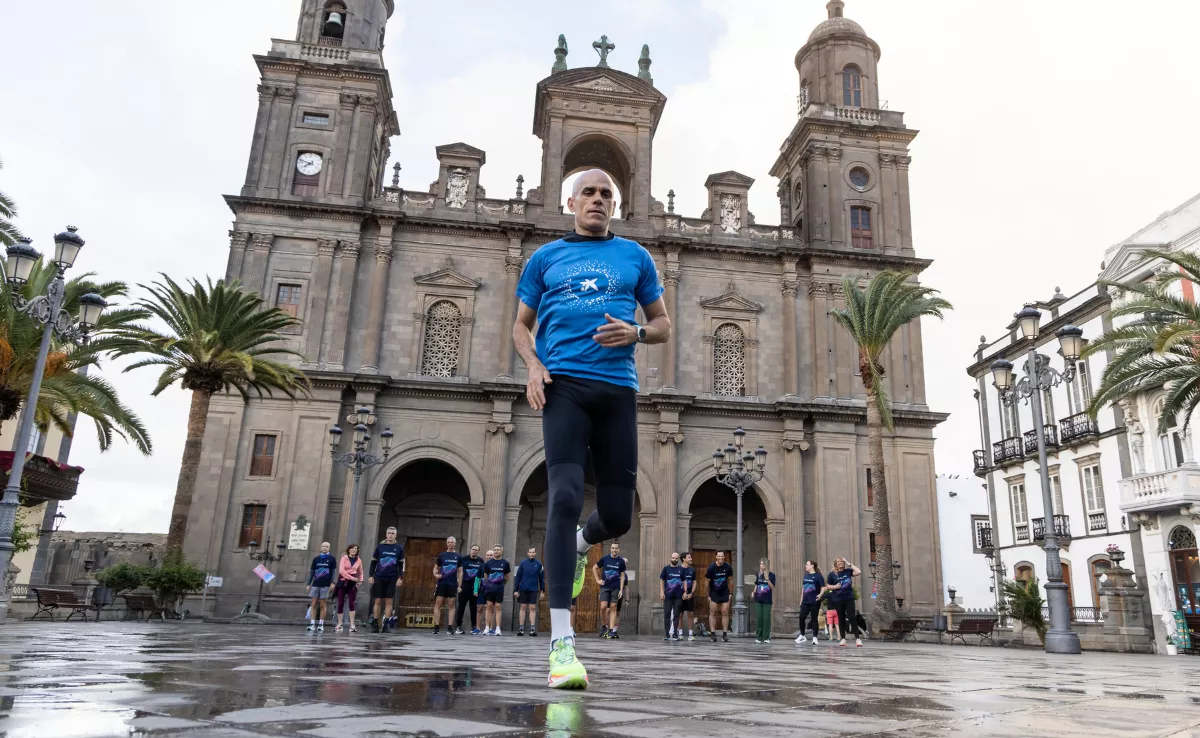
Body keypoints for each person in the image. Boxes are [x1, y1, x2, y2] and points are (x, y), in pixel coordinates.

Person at [513, 168, 671, 689]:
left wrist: (638, 332)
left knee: (620, 517)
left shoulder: (636, 257)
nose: (598, 200)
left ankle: (583, 542)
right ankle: (562, 646)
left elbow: (664, 324)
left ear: (615, 205)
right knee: (560, 498)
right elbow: (520, 325)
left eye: (607, 194)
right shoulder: (544, 258)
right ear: (570, 201)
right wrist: (534, 366)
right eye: (589, 193)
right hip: (564, 388)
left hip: (617, 392)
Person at [369, 527, 404, 633]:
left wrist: (400, 577)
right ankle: (375, 623)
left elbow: (402, 564)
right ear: (386, 534)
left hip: (392, 577)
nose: (390, 535)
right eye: (389, 533)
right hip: (379, 576)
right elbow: (373, 562)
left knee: (389, 601)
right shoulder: (380, 547)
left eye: (393, 533)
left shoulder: (399, 548)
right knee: (378, 600)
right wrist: (371, 575)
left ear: (395, 535)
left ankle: (386, 624)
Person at [822, 557, 863, 647]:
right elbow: (827, 586)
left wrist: (848, 562)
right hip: (838, 599)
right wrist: (835, 587)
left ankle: (858, 639)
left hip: (849, 597)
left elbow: (858, 571)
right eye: (838, 562)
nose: (840, 563)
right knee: (841, 618)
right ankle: (843, 639)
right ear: (836, 564)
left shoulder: (848, 571)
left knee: (852, 616)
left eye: (842, 561)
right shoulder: (832, 574)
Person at [594, 542, 626, 639]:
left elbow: (622, 576)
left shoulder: (621, 561)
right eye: (612, 548)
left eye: (616, 548)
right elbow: (594, 568)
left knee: (613, 607)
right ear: (610, 549)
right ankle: (604, 626)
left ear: (618, 550)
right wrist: (597, 580)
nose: (614, 550)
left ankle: (611, 630)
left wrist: (621, 590)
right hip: (605, 587)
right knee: (603, 607)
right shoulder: (605, 559)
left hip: (615, 587)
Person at [514, 546, 546, 636]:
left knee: (532, 608)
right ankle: (521, 628)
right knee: (523, 607)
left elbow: (541, 578)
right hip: (523, 588)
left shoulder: (539, 564)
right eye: (530, 552)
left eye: (533, 552)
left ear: (535, 553)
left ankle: (532, 629)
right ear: (527, 553)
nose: (531, 554)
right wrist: (516, 589)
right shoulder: (523, 563)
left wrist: (543, 590)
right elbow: (518, 576)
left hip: (533, 589)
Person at [306, 541, 336, 632]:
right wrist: (308, 584)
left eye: (327, 546)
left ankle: (321, 624)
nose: (325, 548)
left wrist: (333, 582)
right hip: (315, 584)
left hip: (326, 585)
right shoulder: (316, 559)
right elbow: (312, 572)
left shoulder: (332, 559)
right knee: (314, 603)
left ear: (329, 548)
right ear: (320, 547)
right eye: (323, 546)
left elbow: (333, 572)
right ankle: (312, 624)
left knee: (323, 604)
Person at [432, 537, 460, 635]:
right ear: (446, 543)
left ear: (455, 544)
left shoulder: (458, 556)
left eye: (452, 542)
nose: (450, 544)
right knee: (438, 604)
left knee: (451, 604)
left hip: (452, 583)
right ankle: (436, 626)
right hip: (442, 583)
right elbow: (436, 568)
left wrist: (459, 584)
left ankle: (450, 627)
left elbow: (460, 571)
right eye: (448, 542)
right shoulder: (442, 555)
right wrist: (436, 575)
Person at [482, 544, 511, 635]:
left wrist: (501, 584)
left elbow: (507, 577)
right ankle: (487, 627)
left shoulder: (505, 563)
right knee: (489, 606)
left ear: (501, 551)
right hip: (489, 588)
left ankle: (497, 628)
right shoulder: (488, 563)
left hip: (499, 588)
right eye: (495, 549)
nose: (496, 551)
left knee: (498, 607)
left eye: (498, 550)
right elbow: (485, 575)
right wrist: (487, 585)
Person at [334, 543, 364, 633]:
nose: (354, 550)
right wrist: (353, 578)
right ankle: (339, 624)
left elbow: (361, 571)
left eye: (355, 549)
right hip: (343, 581)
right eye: (352, 548)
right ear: (349, 550)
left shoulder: (358, 560)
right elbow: (341, 571)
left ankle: (352, 624)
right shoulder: (344, 558)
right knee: (340, 603)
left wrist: (361, 581)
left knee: (352, 603)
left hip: (352, 583)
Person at [456, 544, 484, 635]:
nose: (474, 551)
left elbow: (482, 575)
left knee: (474, 608)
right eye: (473, 549)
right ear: (470, 550)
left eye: (476, 550)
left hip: (475, 587)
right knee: (461, 607)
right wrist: (459, 585)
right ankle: (458, 626)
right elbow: (458, 572)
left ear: (478, 551)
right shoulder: (463, 559)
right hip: (464, 585)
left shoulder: (481, 561)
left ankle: (474, 627)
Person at [795, 560, 825, 645]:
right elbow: (803, 589)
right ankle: (802, 635)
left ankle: (815, 637)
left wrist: (820, 595)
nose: (805, 566)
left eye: (807, 564)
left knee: (814, 619)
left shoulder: (818, 576)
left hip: (814, 601)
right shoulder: (806, 576)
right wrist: (801, 600)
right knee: (801, 617)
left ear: (812, 566)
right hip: (805, 601)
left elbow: (823, 587)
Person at [706, 551, 733, 642]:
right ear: (716, 557)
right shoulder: (711, 568)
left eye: (722, 556)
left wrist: (730, 594)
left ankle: (724, 634)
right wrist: (708, 594)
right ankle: (713, 633)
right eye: (719, 556)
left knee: (725, 612)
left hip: (724, 592)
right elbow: (707, 582)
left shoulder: (728, 567)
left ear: (724, 557)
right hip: (714, 592)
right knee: (712, 612)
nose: (721, 558)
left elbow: (730, 580)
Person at [660, 552, 685, 641]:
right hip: (668, 596)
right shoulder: (666, 569)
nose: (674, 559)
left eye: (676, 558)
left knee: (676, 615)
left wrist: (685, 592)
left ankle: (675, 633)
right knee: (666, 614)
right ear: (670, 558)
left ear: (678, 559)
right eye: (673, 558)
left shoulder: (681, 569)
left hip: (678, 596)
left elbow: (684, 581)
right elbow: (662, 580)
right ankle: (666, 634)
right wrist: (662, 592)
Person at [753, 558, 776, 644]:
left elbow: (773, 588)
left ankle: (766, 637)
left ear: (766, 565)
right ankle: (759, 637)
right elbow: (756, 584)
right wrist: (754, 591)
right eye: (760, 564)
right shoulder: (758, 574)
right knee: (759, 618)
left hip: (767, 600)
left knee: (766, 619)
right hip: (758, 599)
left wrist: (767, 579)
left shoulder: (772, 575)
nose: (761, 566)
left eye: (763, 564)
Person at [474, 549, 493, 634]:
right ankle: (477, 628)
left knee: (491, 609)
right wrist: (475, 590)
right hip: (482, 590)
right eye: (488, 555)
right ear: (486, 556)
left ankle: (490, 628)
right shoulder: (481, 566)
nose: (489, 556)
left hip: (492, 590)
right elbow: (477, 579)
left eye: (491, 555)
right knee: (480, 608)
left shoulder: (496, 565)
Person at [679, 552, 697, 641]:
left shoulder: (692, 570)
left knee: (690, 614)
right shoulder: (678, 569)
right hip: (680, 595)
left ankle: (690, 634)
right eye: (689, 557)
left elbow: (694, 582)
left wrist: (691, 593)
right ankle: (680, 634)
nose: (691, 559)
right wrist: (682, 593)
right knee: (680, 614)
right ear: (684, 559)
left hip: (690, 595)